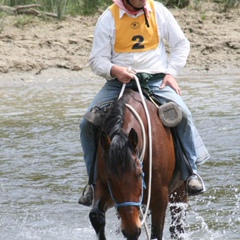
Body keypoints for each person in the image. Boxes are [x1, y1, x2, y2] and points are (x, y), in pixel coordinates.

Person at [78, 0, 210, 206]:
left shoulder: (159, 11)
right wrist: (115, 70)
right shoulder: (108, 17)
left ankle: (191, 173)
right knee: (87, 124)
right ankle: (93, 184)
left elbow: (181, 44)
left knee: (183, 114)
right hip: (118, 84)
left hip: (156, 81)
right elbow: (97, 60)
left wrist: (171, 73)